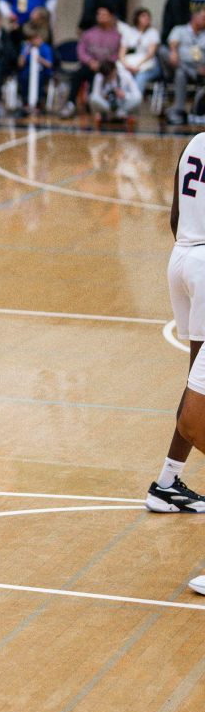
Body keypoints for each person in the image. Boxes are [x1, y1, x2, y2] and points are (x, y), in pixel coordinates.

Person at [150, 132, 205, 514]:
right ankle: (166, 483)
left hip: (182, 257)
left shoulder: (193, 143)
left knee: (196, 384)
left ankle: (167, 482)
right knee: (198, 391)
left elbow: (174, 216)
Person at [65, 6, 121, 118]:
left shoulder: (117, 36)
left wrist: (103, 64)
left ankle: (95, 106)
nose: (101, 17)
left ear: (111, 17)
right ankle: (70, 104)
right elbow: (81, 50)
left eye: (104, 15)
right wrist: (90, 61)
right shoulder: (89, 33)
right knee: (77, 75)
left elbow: (117, 54)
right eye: (99, 14)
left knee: (99, 79)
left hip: (106, 68)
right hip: (90, 65)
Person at [165, 8, 205, 125]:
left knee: (181, 72)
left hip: (200, 69)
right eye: (203, 18)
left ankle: (182, 111)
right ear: (194, 17)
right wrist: (173, 52)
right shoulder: (180, 29)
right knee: (179, 70)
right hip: (180, 65)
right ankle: (179, 109)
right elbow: (173, 44)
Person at [89, 60, 140, 124]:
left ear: (115, 70)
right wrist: (104, 96)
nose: (109, 78)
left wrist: (124, 95)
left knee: (138, 99)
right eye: (107, 77)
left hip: (123, 103)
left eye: (111, 75)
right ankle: (120, 115)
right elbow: (95, 94)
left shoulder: (125, 74)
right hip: (107, 105)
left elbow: (137, 94)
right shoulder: (99, 76)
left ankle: (112, 115)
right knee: (93, 98)